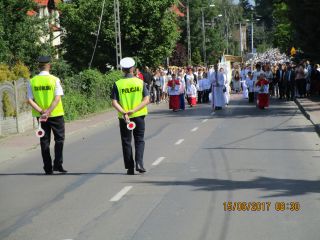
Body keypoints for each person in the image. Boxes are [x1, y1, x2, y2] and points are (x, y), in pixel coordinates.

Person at [27, 56, 67, 175]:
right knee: (59, 139)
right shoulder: (54, 79)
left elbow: (29, 99)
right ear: (49, 66)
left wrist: (42, 111)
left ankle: (48, 168)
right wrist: (49, 111)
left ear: (39, 66)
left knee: (44, 141)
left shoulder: (32, 81)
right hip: (56, 114)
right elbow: (57, 97)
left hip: (41, 117)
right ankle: (58, 164)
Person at [111, 57, 150, 175]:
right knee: (139, 140)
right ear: (133, 68)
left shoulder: (117, 84)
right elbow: (146, 100)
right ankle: (139, 163)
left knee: (126, 141)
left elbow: (114, 102)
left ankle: (130, 167)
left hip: (124, 118)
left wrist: (124, 112)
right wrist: (134, 110)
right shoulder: (140, 82)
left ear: (123, 69)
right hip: (138, 115)